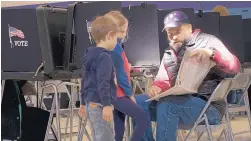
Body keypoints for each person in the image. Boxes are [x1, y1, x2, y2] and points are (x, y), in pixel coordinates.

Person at [135, 11, 241, 141]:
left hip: (209, 107)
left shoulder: (208, 41)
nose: (173, 37)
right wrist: (157, 87)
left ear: (189, 28)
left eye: (177, 31)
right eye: (170, 33)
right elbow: (163, 80)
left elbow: (235, 67)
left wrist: (212, 55)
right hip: (177, 103)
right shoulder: (169, 54)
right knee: (137, 103)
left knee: (167, 105)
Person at [104, 11, 150, 141]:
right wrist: (130, 95)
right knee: (143, 119)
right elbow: (121, 76)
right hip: (119, 95)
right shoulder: (116, 48)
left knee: (119, 130)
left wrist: (127, 66)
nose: (125, 35)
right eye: (123, 31)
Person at [78, 16, 120, 141]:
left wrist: (82, 102)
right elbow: (103, 83)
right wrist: (107, 104)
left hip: (91, 104)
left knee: (99, 136)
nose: (116, 42)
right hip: (101, 105)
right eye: (116, 39)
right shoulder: (104, 57)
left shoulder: (89, 55)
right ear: (109, 35)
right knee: (106, 137)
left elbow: (84, 80)